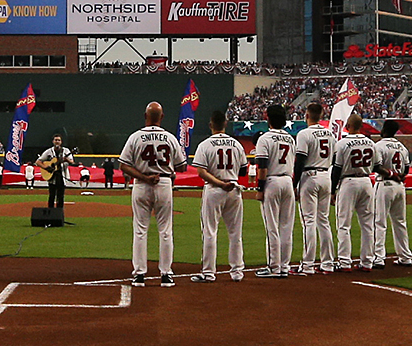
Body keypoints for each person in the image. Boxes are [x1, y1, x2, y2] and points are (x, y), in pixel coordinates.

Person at [118, 101, 183, 286]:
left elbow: (123, 165)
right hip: (164, 183)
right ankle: (166, 274)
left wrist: (145, 177)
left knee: (140, 230)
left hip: (141, 183)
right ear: (162, 117)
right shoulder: (170, 137)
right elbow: (182, 165)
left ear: (145, 116)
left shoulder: (135, 137)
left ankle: (139, 274)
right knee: (165, 231)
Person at [191, 111, 248, 282]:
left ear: (211, 125)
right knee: (235, 232)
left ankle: (209, 273)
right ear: (225, 123)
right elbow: (244, 170)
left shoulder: (205, 144)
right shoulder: (236, 144)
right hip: (233, 189)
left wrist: (219, 182)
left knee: (210, 231)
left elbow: (201, 171)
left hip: (214, 189)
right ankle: (237, 271)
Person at [251, 103, 296, 277]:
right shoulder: (290, 138)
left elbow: (262, 167)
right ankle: (284, 266)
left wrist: (260, 188)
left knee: (272, 227)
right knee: (286, 227)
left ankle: (274, 267)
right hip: (287, 181)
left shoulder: (265, 138)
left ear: (268, 118)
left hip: (272, 181)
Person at [332, 112, 381, 271]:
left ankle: (345, 262)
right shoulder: (370, 143)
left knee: (344, 224)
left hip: (348, 182)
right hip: (367, 181)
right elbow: (376, 166)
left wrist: (332, 190)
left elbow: (337, 169)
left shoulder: (342, 143)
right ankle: (367, 261)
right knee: (368, 224)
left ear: (348, 126)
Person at [291, 111, 338, 274]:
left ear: (307, 115)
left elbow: (300, 160)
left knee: (309, 221)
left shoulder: (304, 133)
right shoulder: (330, 134)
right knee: (323, 221)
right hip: (326, 175)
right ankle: (328, 263)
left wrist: (294, 183)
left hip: (309, 176)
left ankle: (308, 264)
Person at [375, 120, 412, 265]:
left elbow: (377, 167)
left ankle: (379, 257)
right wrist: (398, 175)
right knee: (400, 222)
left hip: (385, 183)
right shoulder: (402, 147)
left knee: (380, 222)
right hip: (399, 186)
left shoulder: (379, 145)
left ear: (384, 129)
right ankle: (405, 256)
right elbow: (406, 170)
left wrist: (391, 174)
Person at [36, 134, 74, 212]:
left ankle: (59, 214)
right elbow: (38, 162)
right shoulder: (49, 151)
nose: (57, 141)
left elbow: (72, 162)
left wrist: (67, 160)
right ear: (53, 141)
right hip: (52, 177)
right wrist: (46, 167)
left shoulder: (66, 151)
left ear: (61, 142)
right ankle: (50, 213)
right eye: (56, 140)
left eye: (59, 140)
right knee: (52, 196)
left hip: (62, 176)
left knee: (60, 196)